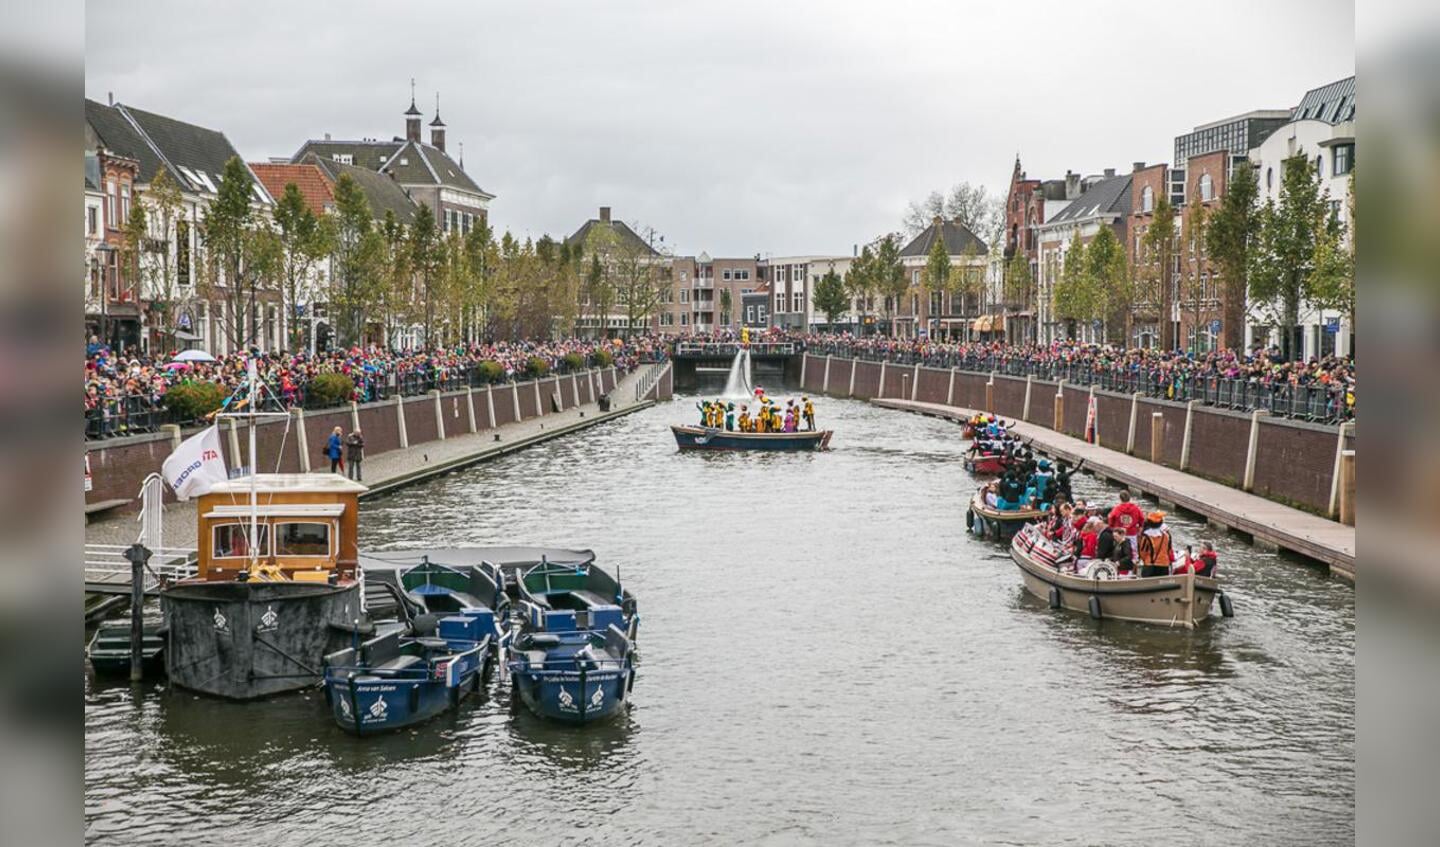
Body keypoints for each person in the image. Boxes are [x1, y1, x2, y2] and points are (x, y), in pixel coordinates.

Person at [1136, 511, 1175, 577]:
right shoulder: (1167, 535)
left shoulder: (1146, 536)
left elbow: (1142, 553)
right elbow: (1169, 549)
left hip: (1150, 565)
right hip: (1164, 564)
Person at [1107, 490, 1145, 554]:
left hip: (1120, 533)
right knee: (1133, 552)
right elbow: (1142, 518)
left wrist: (1112, 527)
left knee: (1119, 551)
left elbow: (1111, 518)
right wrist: (1140, 527)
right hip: (1132, 533)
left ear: (1120, 498)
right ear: (1129, 498)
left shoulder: (1117, 508)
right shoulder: (1136, 508)